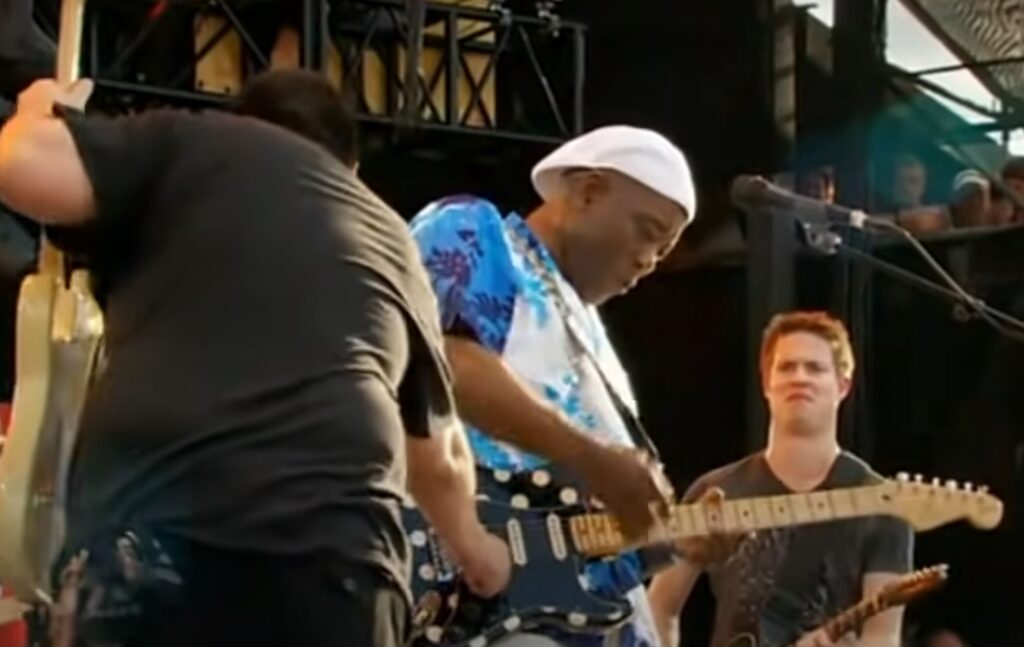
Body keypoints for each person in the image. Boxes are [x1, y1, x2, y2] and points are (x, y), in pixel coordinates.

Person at [0, 69, 509, 646]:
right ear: (353, 169)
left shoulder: (196, 143)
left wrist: (37, 109)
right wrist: (479, 552)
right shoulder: (392, 237)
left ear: (241, 123)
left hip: (156, 543)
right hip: (337, 572)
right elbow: (440, 459)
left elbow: (25, 170)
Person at [409, 125, 701, 647]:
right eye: (648, 231)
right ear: (588, 193)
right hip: (470, 592)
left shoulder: (596, 343)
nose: (650, 260)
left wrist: (676, 541)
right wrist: (589, 457)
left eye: (663, 250)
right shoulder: (477, 231)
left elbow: (579, 540)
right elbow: (443, 361)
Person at [647, 311, 913, 647]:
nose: (799, 377)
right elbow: (659, 607)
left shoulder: (881, 503)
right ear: (766, 383)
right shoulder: (715, 491)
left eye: (814, 368)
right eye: (786, 367)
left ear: (842, 386)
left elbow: (883, 637)